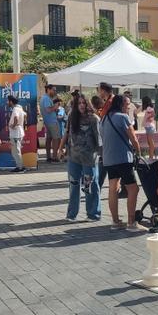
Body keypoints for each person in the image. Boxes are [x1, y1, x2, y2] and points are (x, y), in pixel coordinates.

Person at [59, 93, 102, 222]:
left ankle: (93, 213)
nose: (82, 105)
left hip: (89, 159)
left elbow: (99, 140)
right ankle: (72, 214)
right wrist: (61, 148)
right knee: (73, 185)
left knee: (90, 186)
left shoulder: (94, 119)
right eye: (79, 103)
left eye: (84, 103)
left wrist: (101, 155)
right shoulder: (72, 116)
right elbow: (67, 133)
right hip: (74, 157)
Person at [102, 94, 142, 229]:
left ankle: (115, 221)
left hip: (108, 159)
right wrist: (138, 152)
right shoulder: (123, 117)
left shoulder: (104, 118)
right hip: (123, 158)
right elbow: (133, 138)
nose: (128, 107)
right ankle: (131, 222)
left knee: (113, 189)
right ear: (121, 104)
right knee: (133, 189)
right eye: (127, 104)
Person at [40, 84, 61, 163]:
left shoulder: (45, 98)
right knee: (56, 139)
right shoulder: (46, 98)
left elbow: (48, 110)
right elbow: (48, 110)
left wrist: (55, 110)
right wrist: (55, 107)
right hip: (52, 122)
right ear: (48, 90)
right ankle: (54, 157)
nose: (55, 91)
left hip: (48, 121)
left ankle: (49, 157)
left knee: (49, 139)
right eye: (53, 90)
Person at [7, 95, 27, 173]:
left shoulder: (15, 109)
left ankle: (20, 167)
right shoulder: (20, 108)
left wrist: (14, 125)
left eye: (8, 101)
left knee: (16, 151)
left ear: (11, 102)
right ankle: (20, 166)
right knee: (16, 150)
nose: (7, 102)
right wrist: (22, 123)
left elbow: (16, 117)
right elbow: (25, 115)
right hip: (19, 132)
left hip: (16, 133)